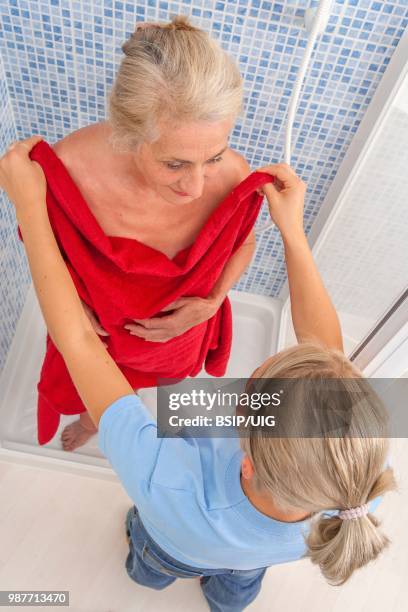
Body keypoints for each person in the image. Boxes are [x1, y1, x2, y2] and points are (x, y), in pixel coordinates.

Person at [0, 137, 396, 612]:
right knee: (239, 579)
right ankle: (228, 600)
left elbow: (79, 343)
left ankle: (150, 573)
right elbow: (325, 353)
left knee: (151, 562)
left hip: (177, 546)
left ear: (246, 462)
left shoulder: (167, 484)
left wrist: (29, 207)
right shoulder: (356, 482)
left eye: (256, 388)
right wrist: (292, 229)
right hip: (258, 553)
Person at [28, 15, 268, 451]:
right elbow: (48, 250)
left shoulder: (233, 175)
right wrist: (70, 308)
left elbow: (245, 242)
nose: (196, 188)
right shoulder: (69, 171)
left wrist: (212, 303)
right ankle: (91, 417)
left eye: (212, 157)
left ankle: (114, 415)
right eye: (174, 164)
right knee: (92, 388)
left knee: (150, 387)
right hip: (97, 330)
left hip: (176, 334)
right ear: (127, 133)